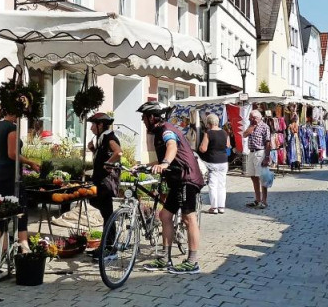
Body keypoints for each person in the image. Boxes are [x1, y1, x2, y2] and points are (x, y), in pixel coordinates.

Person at [138, 101, 205, 274]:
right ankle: (165, 258)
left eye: (144, 117)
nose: (143, 121)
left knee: (189, 218)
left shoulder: (166, 130)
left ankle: (192, 261)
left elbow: (172, 146)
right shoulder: (159, 132)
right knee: (165, 215)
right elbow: (163, 159)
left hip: (187, 177)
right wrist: (143, 166)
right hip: (176, 179)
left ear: (152, 117)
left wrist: (165, 163)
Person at [0, 103, 40, 251]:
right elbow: (12, 154)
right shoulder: (11, 128)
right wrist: (30, 162)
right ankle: (24, 245)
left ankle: (4, 248)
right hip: (10, 174)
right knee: (21, 208)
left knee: (1, 209)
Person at [85, 111, 122, 232]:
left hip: (106, 182)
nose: (91, 128)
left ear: (100, 125)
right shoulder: (102, 139)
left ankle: (109, 243)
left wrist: (109, 164)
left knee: (107, 212)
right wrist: (93, 150)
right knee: (104, 211)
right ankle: (108, 241)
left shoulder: (109, 138)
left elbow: (118, 152)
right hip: (101, 180)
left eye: (93, 125)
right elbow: (103, 156)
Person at [198, 113, 230, 214]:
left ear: (208, 123)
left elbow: (203, 149)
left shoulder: (208, 133)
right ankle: (221, 207)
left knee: (212, 184)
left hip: (213, 160)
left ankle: (214, 207)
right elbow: (228, 145)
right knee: (222, 184)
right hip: (224, 161)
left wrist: (199, 147)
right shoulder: (225, 132)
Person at [243, 110, 271, 209]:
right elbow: (244, 135)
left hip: (260, 152)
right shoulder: (251, 126)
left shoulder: (265, 127)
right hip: (251, 152)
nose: (249, 119)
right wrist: (250, 128)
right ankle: (257, 199)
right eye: (250, 117)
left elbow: (268, 143)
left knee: (262, 177)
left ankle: (264, 201)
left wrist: (267, 157)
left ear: (257, 118)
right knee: (253, 176)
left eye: (251, 117)